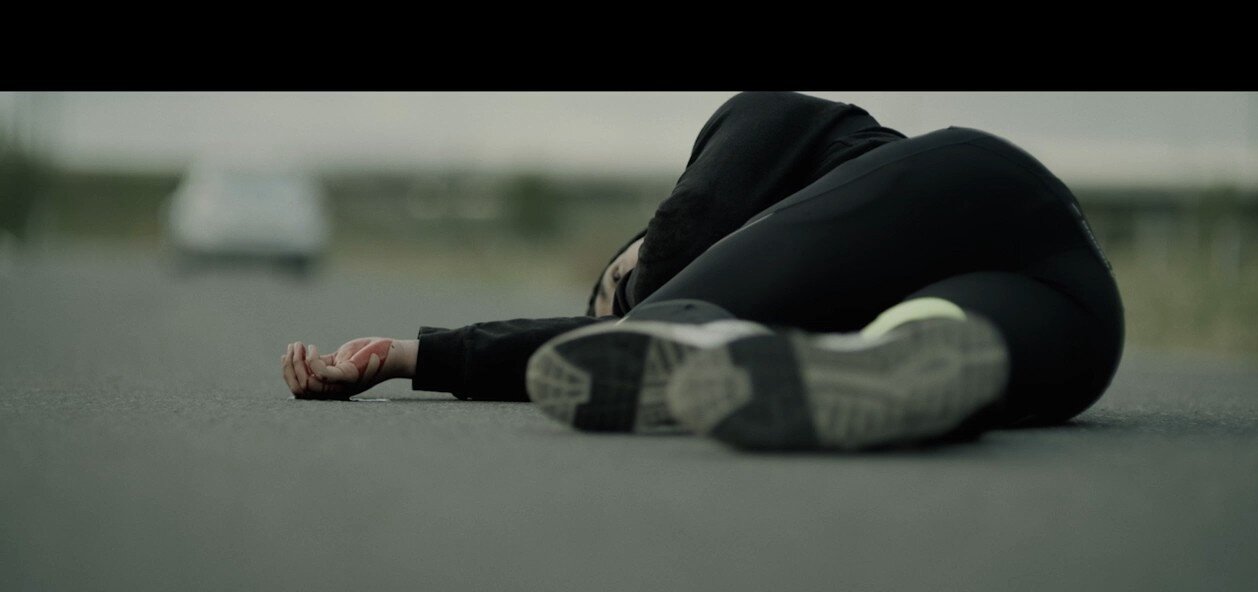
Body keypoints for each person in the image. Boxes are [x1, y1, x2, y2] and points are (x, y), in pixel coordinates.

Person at [281, 91, 1124, 451]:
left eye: (615, 285)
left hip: (967, 183)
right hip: (1077, 310)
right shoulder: (813, 293)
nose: (620, 302)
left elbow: (686, 238)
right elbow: (602, 346)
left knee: (676, 318)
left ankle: (701, 343)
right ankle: (893, 368)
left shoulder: (773, 125)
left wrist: (423, 355)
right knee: (936, 342)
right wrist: (400, 358)